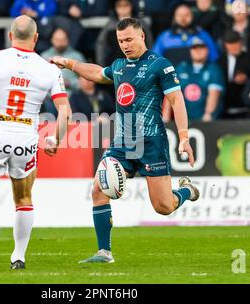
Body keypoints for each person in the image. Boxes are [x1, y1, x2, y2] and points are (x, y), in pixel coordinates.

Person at [50, 18, 199, 263]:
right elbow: (97, 73)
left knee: (163, 207)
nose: (125, 45)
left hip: (151, 142)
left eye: (129, 39)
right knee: (98, 188)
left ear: (142, 37)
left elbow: (177, 100)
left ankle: (186, 190)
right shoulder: (119, 66)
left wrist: (183, 136)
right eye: (121, 41)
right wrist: (68, 63)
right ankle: (104, 252)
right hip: (123, 141)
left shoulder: (159, 65)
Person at [0, 15, 71, 269]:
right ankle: (18, 257)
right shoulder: (50, 69)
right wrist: (55, 139)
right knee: (24, 199)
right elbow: (65, 111)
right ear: (37, 38)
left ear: (10, 35)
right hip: (26, 138)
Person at [171, 37, 225, 121]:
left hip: (207, 121)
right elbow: (171, 93)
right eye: (194, 48)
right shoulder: (181, 68)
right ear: (190, 51)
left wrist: (207, 116)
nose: (198, 51)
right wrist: (166, 119)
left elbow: (213, 94)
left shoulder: (214, 69)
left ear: (207, 50)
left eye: (201, 48)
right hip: (183, 120)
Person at [95, 0, 153, 68]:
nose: (123, 8)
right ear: (115, 8)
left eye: (126, 5)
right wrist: (101, 63)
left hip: (139, 63)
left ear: (131, 6)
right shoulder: (109, 26)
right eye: (119, 6)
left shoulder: (141, 24)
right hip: (114, 65)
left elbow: (149, 42)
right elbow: (101, 44)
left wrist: (149, 61)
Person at [153, 4, 219, 66]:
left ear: (192, 17)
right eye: (179, 15)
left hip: (198, 76)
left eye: (187, 15)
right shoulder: (165, 37)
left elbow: (213, 58)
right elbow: (155, 61)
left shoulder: (203, 35)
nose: (183, 18)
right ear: (174, 17)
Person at [218, 30, 250, 118]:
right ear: (225, 45)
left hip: (243, 103)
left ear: (241, 43)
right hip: (224, 104)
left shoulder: (249, 59)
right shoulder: (220, 60)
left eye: (236, 43)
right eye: (231, 44)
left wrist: (246, 78)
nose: (234, 47)